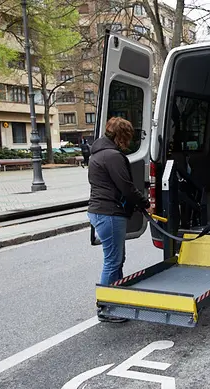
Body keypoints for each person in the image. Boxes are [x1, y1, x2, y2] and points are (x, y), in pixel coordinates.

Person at [87, 117, 151, 323]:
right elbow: (126, 187)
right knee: (113, 261)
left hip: (101, 211)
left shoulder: (98, 153)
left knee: (116, 260)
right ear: (121, 136)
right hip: (110, 213)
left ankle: (117, 301)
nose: (129, 141)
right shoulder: (112, 156)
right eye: (128, 137)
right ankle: (106, 308)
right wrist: (145, 203)